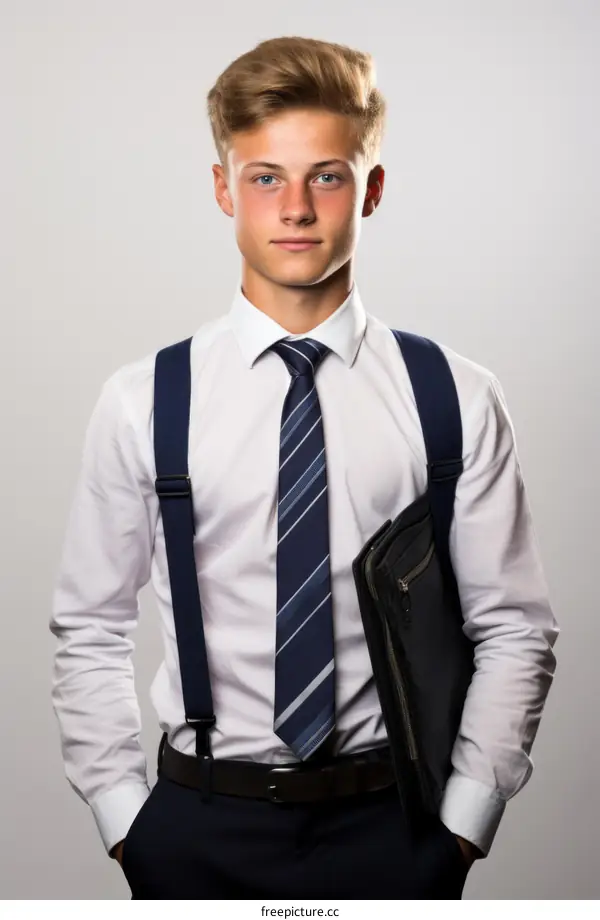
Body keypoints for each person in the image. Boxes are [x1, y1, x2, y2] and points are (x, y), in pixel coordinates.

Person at [49, 35, 560, 899]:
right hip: (198, 825)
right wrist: (125, 820)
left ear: (373, 190)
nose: (295, 207)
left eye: (326, 175)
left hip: (393, 826)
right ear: (223, 189)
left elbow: (514, 627)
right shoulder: (143, 399)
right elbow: (90, 625)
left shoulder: (455, 397)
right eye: (264, 178)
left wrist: (463, 828)